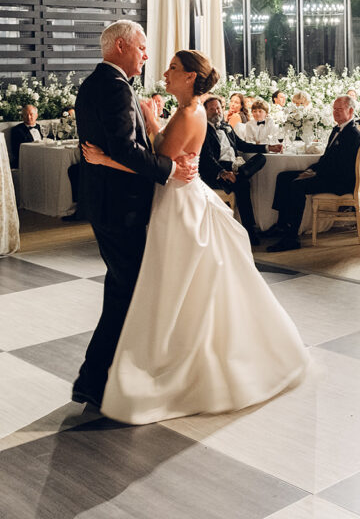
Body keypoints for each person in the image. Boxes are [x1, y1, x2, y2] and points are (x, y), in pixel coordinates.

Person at [81, 48, 309, 423]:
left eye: (173, 68)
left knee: (176, 285)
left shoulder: (189, 113)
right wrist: (152, 122)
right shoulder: (189, 110)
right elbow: (164, 154)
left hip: (179, 204)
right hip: (181, 197)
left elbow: (157, 162)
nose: (165, 73)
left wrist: (107, 157)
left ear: (190, 77)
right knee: (180, 285)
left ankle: (174, 362)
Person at [70, 21, 199, 410]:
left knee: (122, 288)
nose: (146, 55)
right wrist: (170, 169)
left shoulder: (94, 84)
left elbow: (119, 147)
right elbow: (126, 150)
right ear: (122, 46)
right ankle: (98, 379)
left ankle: (103, 377)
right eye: (142, 47)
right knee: (128, 291)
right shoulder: (115, 87)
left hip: (107, 204)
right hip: (120, 207)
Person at [266, 96, 360, 252]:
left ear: (351, 111)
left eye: (339, 109)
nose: (335, 112)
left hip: (339, 181)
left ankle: (292, 237)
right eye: (334, 109)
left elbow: (341, 166)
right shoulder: (337, 129)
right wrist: (311, 170)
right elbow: (326, 159)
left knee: (297, 186)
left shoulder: (352, 133)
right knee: (283, 177)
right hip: (329, 174)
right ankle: (281, 225)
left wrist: (314, 174)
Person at [199, 95, 279, 245]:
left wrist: (268, 147)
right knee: (243, 184)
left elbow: (242, 145)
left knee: (261, 158)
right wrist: (222, 172)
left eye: (218, 108)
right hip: (218, 170)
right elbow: (206, 158)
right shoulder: (203, 129)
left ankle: (239, 175)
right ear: (205, 111)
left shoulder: (226, 127)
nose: (216, 111)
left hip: (235, 167)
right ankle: (250, 230)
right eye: (212, 109)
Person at [9, 104, 44, 168]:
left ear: (36, 115)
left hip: (43, 158)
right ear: (22, 116)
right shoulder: (17, 130)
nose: (28, 117)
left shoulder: (42, 128)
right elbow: (16, 151)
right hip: (26, 161)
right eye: (25, 115)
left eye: (31, 114)